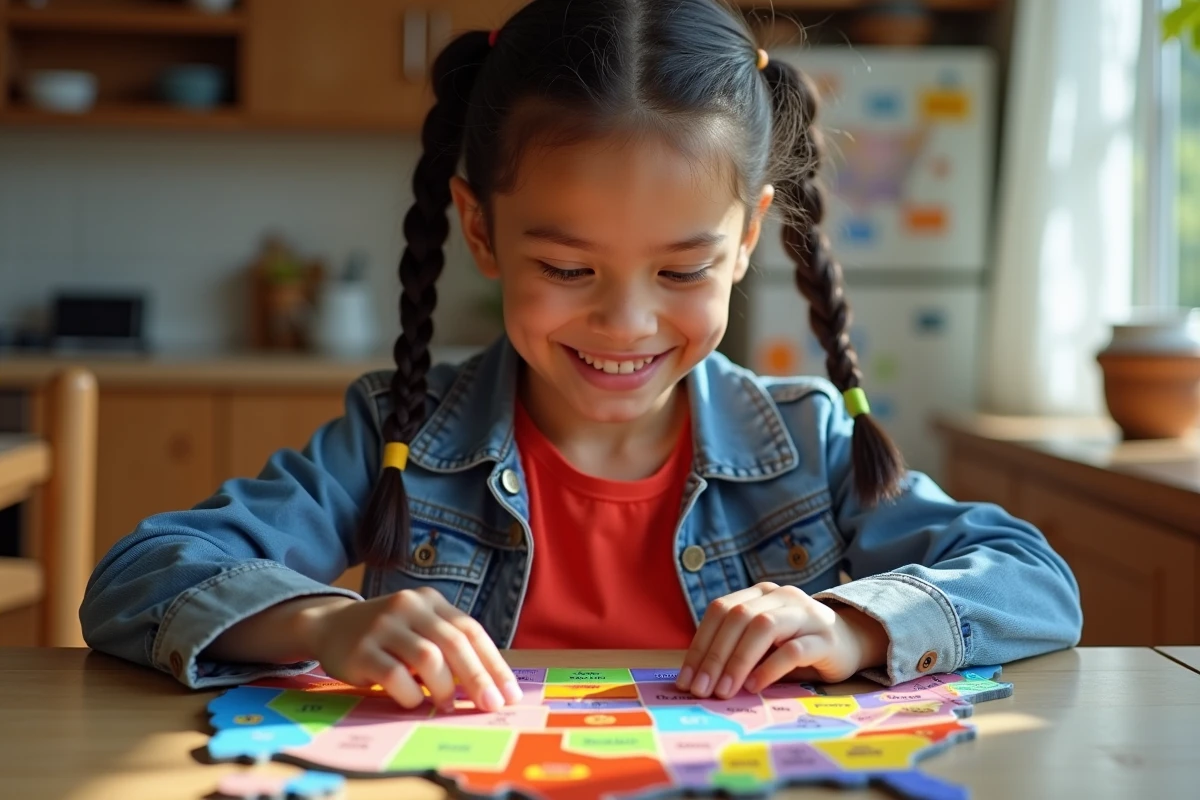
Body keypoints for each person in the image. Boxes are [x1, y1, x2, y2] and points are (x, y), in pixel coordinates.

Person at [80, 0, 1082, 716]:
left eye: (684, 269)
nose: (626, 321)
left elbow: (1035, 580)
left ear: (745, 241)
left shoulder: (808, 441)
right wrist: (319, 624)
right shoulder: (400, 429)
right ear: (480, 229)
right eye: (567, 265)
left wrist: (854, 625)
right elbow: (136, 576)